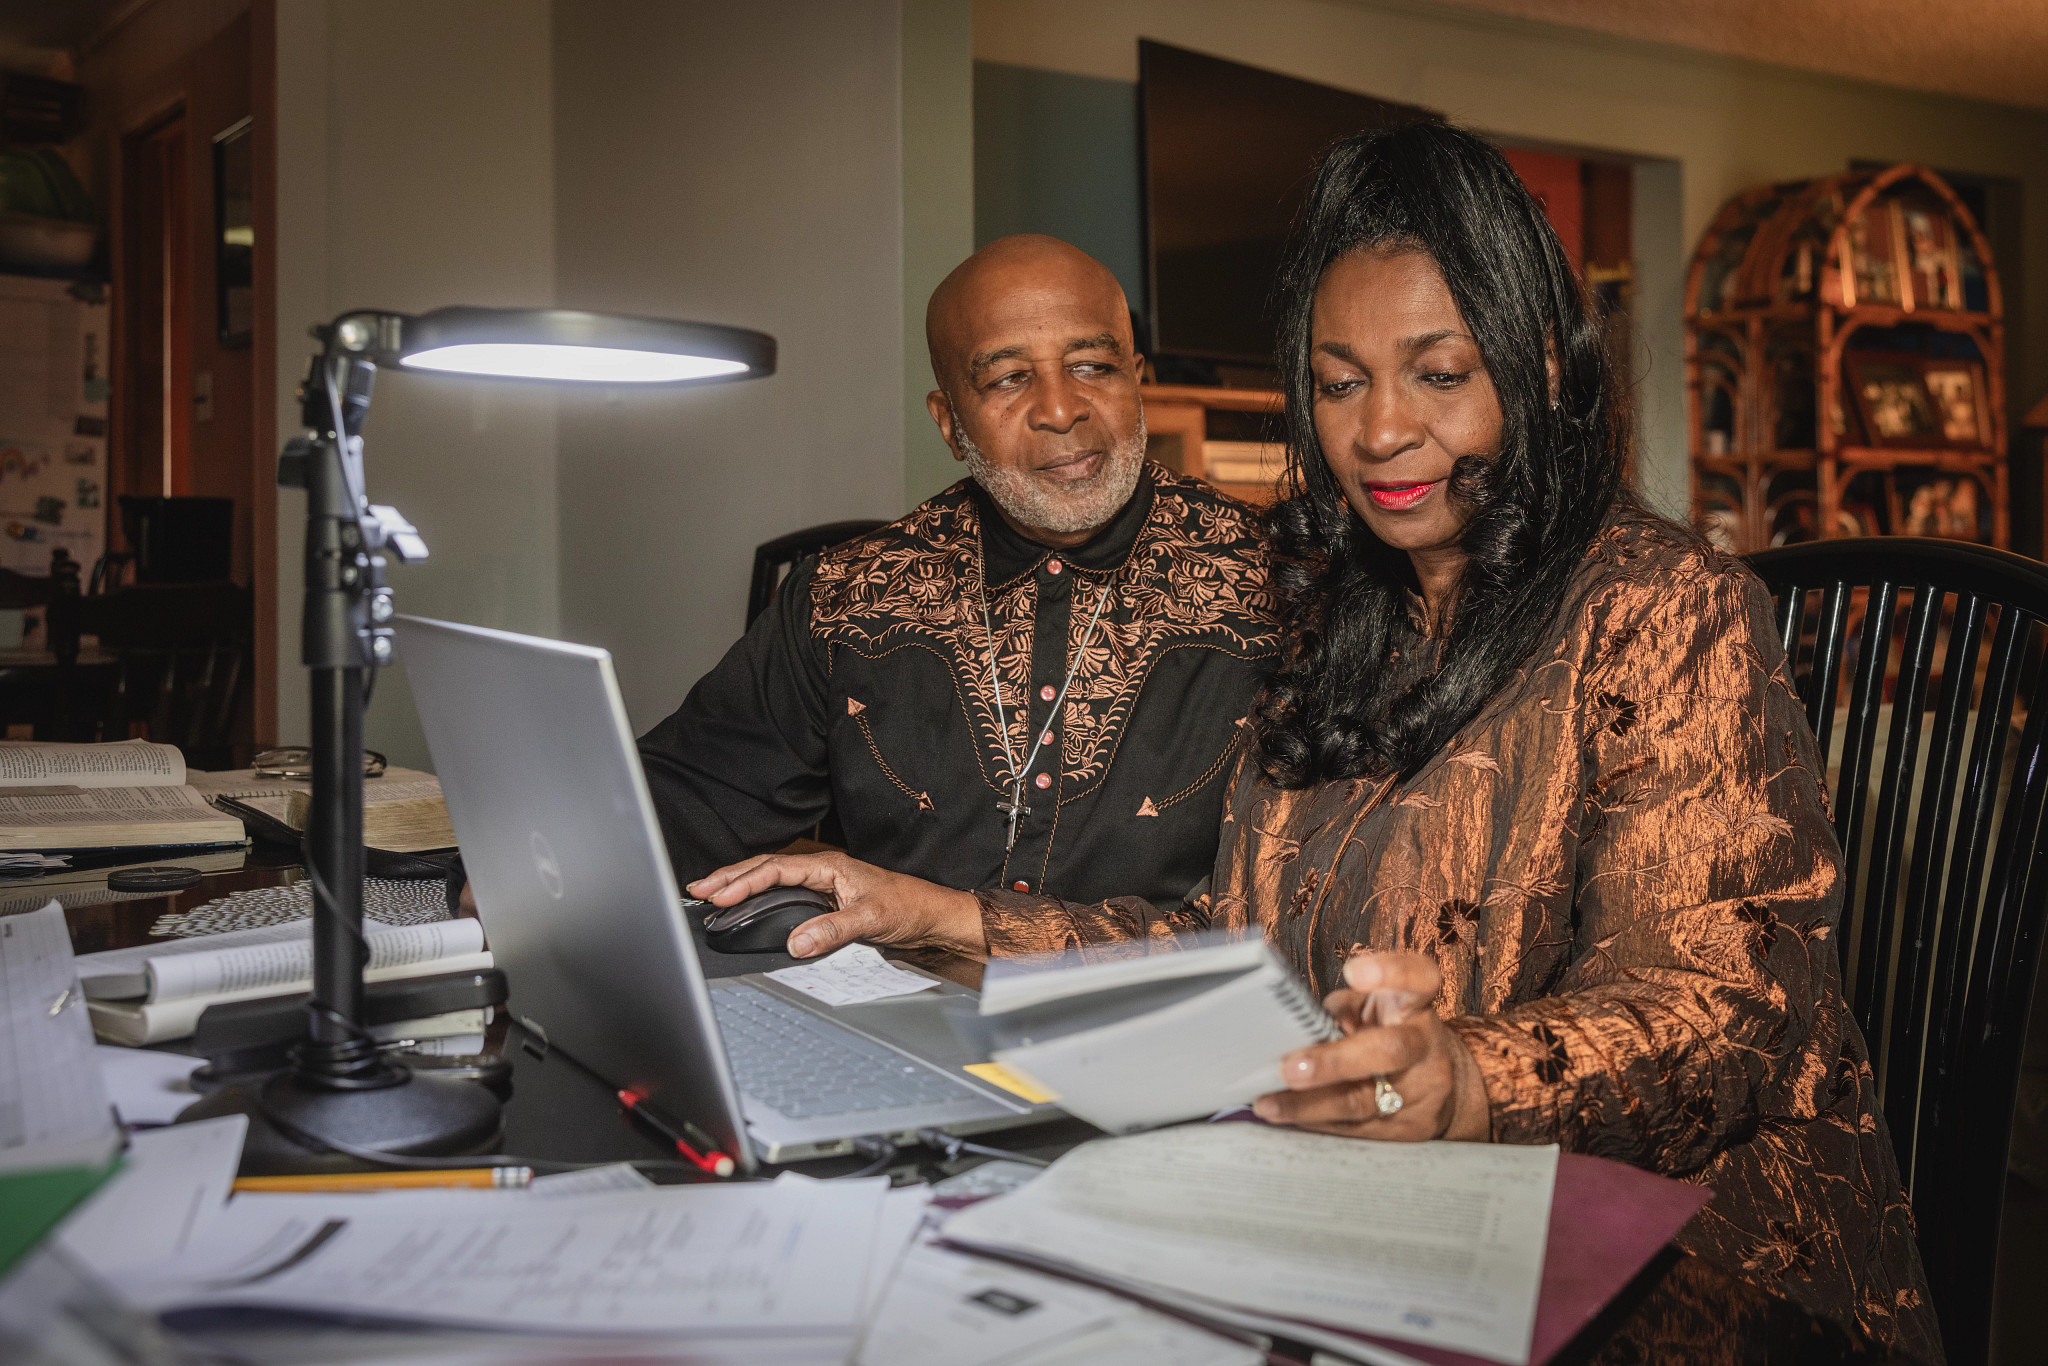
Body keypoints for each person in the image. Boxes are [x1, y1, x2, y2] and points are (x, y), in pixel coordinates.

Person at [690, 124, 1942, 1360]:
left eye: (1438, 373)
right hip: (1374, 1227)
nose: (1379, 431)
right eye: (1340, 382)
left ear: (1542, 369)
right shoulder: (1341, 613)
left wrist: (1465, 1078)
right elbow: (1226, 949)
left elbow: (1720, 1006)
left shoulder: (1667, 606)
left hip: (1680, 1283)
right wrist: (934, 914)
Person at [639, 234, 1279, 923]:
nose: (1062, 409)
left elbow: (1297, 916)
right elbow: (677, 802)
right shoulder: (849, 595)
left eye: (1093, 366)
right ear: (950, 424)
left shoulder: (1277, 585)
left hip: (1173, 1019)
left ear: (1138, 381)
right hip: (900, 1020)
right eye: (1008, 379)